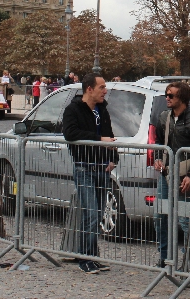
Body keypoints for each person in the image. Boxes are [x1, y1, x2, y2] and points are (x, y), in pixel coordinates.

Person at [62, 73, 118, 275]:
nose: (105, 91)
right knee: (91, 214)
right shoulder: (73, 109)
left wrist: (114, 159)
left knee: (98, 214)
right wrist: (98, 139)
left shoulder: (102, 110)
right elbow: (71, 133)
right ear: (89, 89)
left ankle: (93, 256)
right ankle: (85, 258)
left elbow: (109, 134)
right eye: (102, 87)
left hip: (102, 169)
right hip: (84, 167)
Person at [151, 81, 190, 268]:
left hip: (184, 176)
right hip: (166, 173)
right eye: (166, 94)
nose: (167, 98)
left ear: (182, 98)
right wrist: (158, 158)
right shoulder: (163, 117)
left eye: (171, 95)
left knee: (185, 219)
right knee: (160, 216)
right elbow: (160, 142)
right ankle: (165, 257)